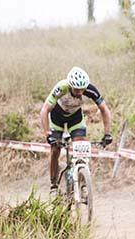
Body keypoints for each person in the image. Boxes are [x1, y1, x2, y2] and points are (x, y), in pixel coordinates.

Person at [40, 66, 113, 195]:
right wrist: (47, 134)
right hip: (57, 118)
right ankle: (53, 185)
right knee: (55, 149)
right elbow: (45, 109)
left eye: (82, 89)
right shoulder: (62, 87)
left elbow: (104, 110)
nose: (79, 92)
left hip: (75, 118)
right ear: (70, 86)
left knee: (81, 145)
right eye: (76, 89)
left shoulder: (90, 90)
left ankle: (83, 181)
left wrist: (107, 133)